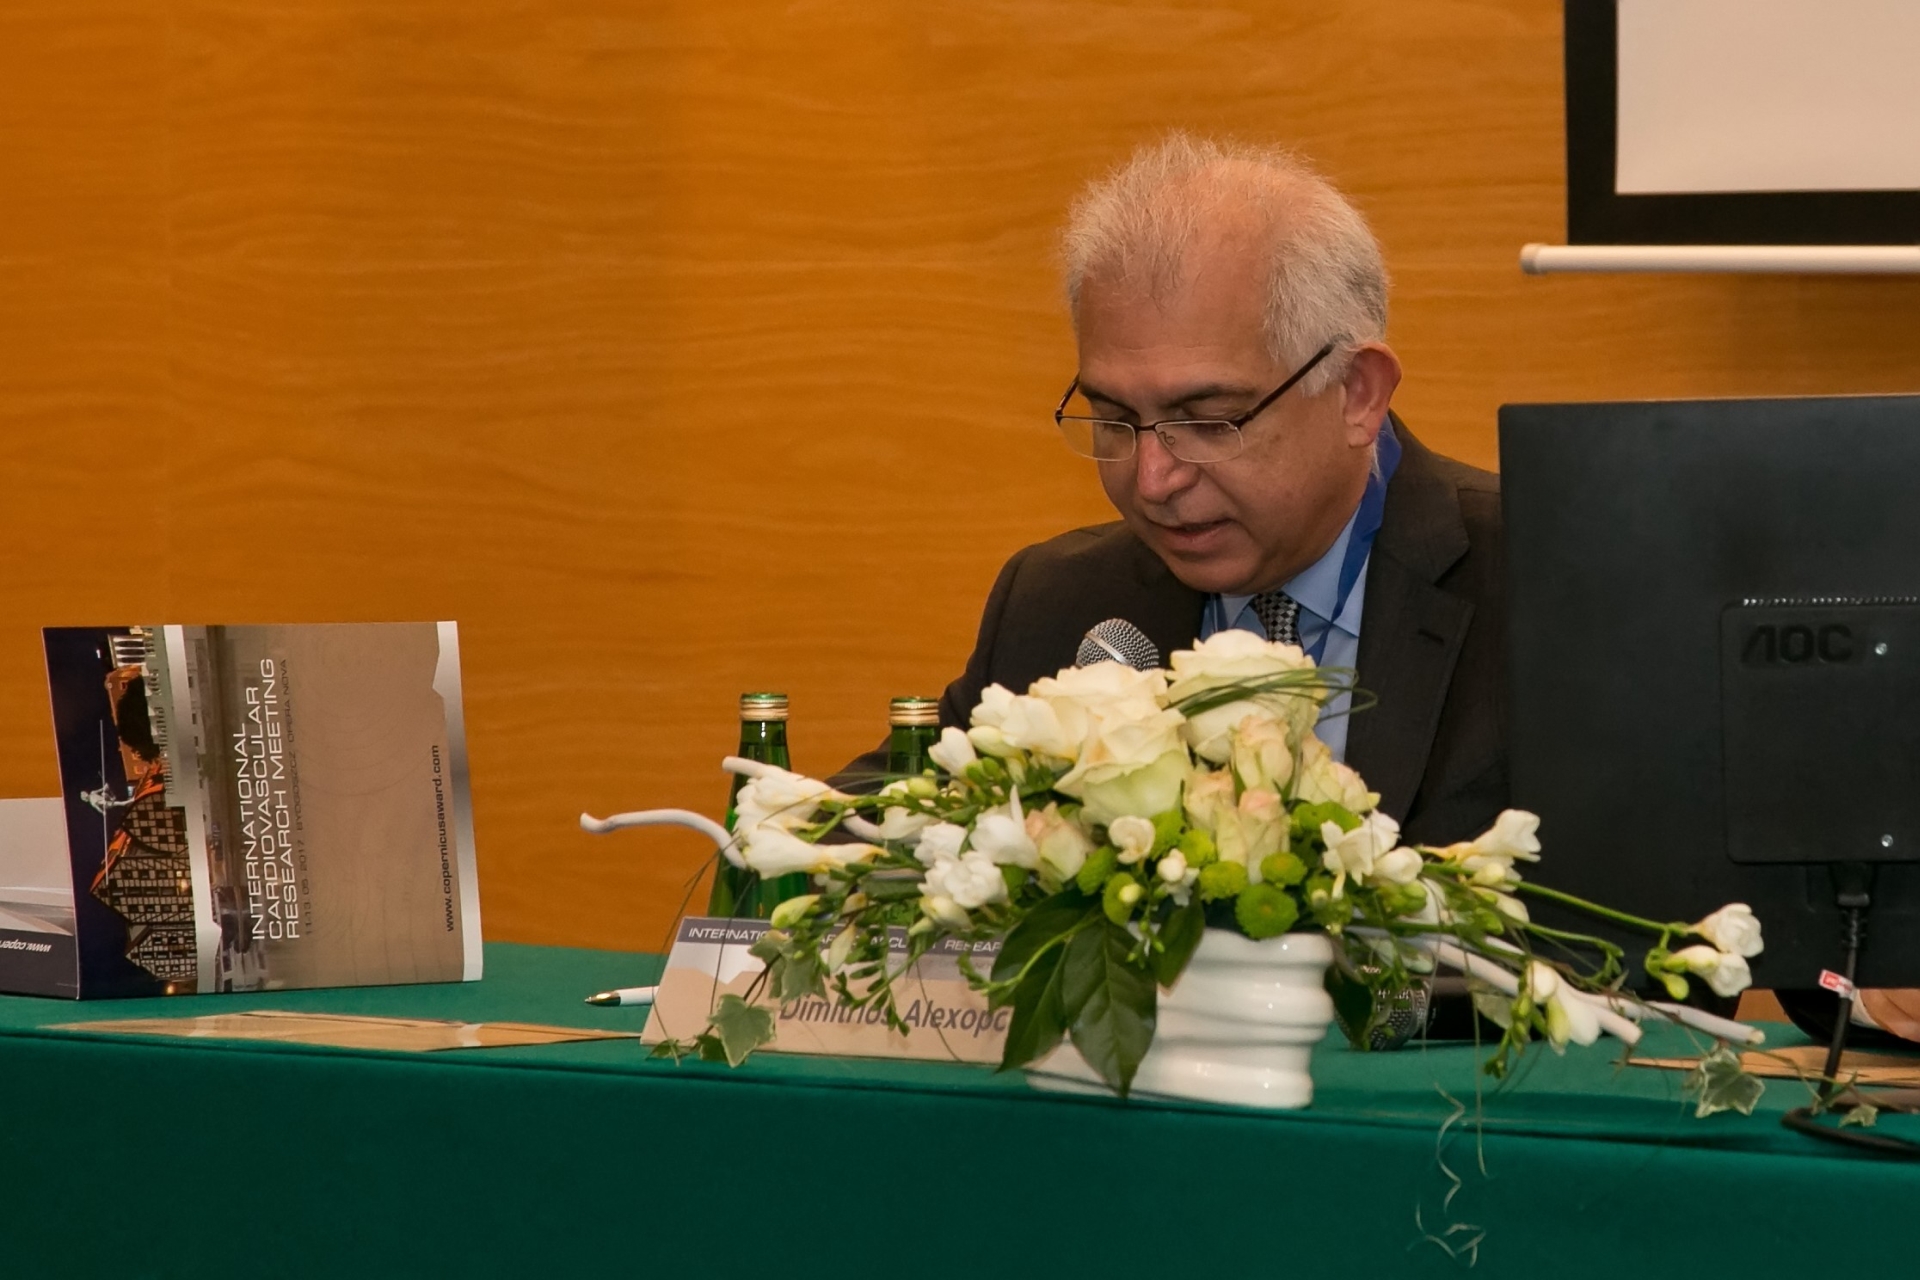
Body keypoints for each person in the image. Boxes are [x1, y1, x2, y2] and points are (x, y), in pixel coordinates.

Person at [860, 134, 1506, 846]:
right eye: (1114, 417)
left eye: (1207, 421)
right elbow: (879, 831)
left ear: (1358, 393)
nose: (1153, 480)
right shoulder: (1060, 606)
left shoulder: (1539, 586)